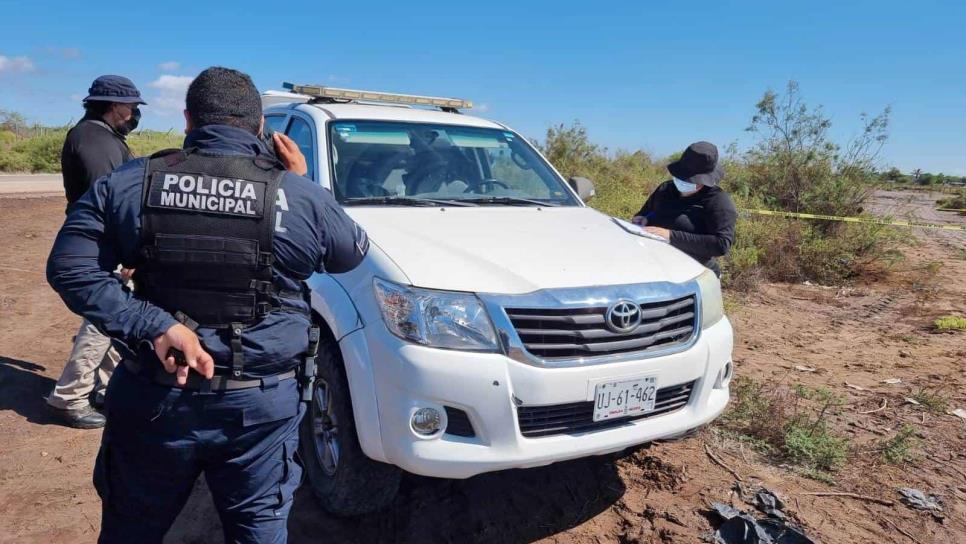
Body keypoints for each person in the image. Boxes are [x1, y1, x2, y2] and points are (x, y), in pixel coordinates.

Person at [47, 66, 369, 543]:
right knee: (257, 530)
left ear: (187, 120)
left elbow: (70, 269)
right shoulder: (299, 194)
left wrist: (153, 324)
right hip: (258, 404)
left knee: (131, 529)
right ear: (261, 127)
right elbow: (350, 254)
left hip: (155, 395)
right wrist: (301, 185)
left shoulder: (134, 182)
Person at [47, 75, 146, 429]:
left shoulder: (102, 137)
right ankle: (69, 396)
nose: (134, 113)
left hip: (105, 240)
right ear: (112, 105)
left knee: (115, 319)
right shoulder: (93, 140)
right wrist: (130, 253)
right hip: (103, 242)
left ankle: (100, 387)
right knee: (104, 319)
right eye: (131, 107)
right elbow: (110, 200)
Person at [632, 141, 737, 277]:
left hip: (694, 272)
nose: (684, 182)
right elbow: (647, 212)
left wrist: (670, 236)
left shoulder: (719, 202)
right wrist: (643, 219)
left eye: (692, 180)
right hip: (654, 263)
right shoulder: (665, 189)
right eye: (682, 177)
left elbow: (721, 244)